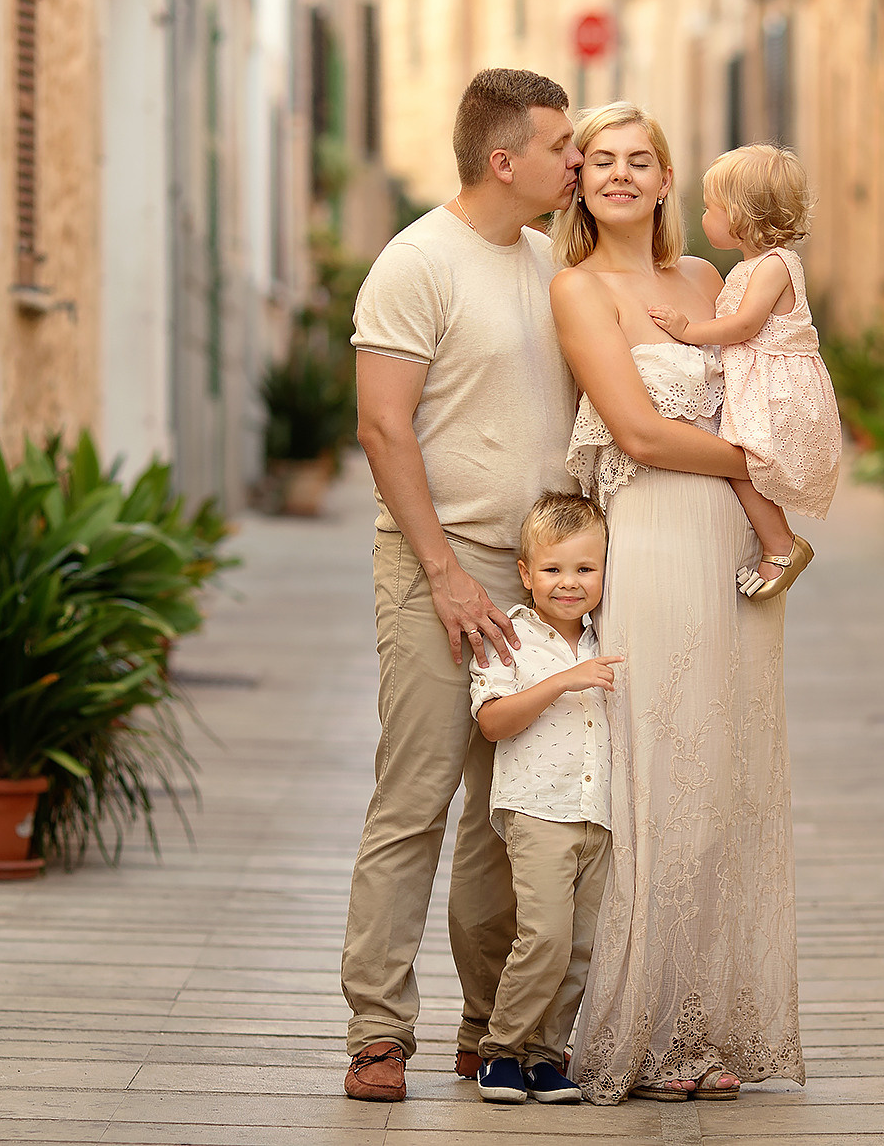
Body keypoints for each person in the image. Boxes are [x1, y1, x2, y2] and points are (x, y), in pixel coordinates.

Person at [549, 102, 805, 1105]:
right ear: (581, 180)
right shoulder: (576, 289)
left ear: (665, 180)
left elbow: (769, 376)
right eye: (600, 160)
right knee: (657, 773)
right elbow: (640, 434)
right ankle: (644, 1030)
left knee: (726, 772)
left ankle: (707, 1026)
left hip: (734, 542)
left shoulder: (708, 280)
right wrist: (756, 460)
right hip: (652, 532)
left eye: (638, 159)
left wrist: (776, 472)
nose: (619, 174)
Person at [340, 69, 585, 1104]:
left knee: (514, 811)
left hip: (545, 583)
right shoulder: (414, 263)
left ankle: (488, 1028)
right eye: (561, 146)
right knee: (416, 797)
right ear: (503, 159)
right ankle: (376, 1031)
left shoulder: (553, 264)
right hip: (438, 567)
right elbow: (381, 427)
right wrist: (443, 576)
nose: (575, 161)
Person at [466, 492, 624, 1106]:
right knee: (546, 936)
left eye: (585, 569)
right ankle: (500, 1050)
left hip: (600, 812)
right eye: (554, 570)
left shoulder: (609, 634)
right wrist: (563, 682)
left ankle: (546, 1056)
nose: (569, 583)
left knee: (584, 946)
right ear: (526, 573)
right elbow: (494, 723)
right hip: (539, 810)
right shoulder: (509, 640)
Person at [646, 144, 844, 601]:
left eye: (710, 208)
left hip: (777, 386)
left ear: (737, 215)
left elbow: (746, 324)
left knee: (740, 460)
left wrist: (688, 329)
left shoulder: (775, 265)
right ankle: (777, 540)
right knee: (738, 460)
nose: (702, 216)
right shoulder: (750, 266)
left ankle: (781, 544)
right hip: (760, 379)